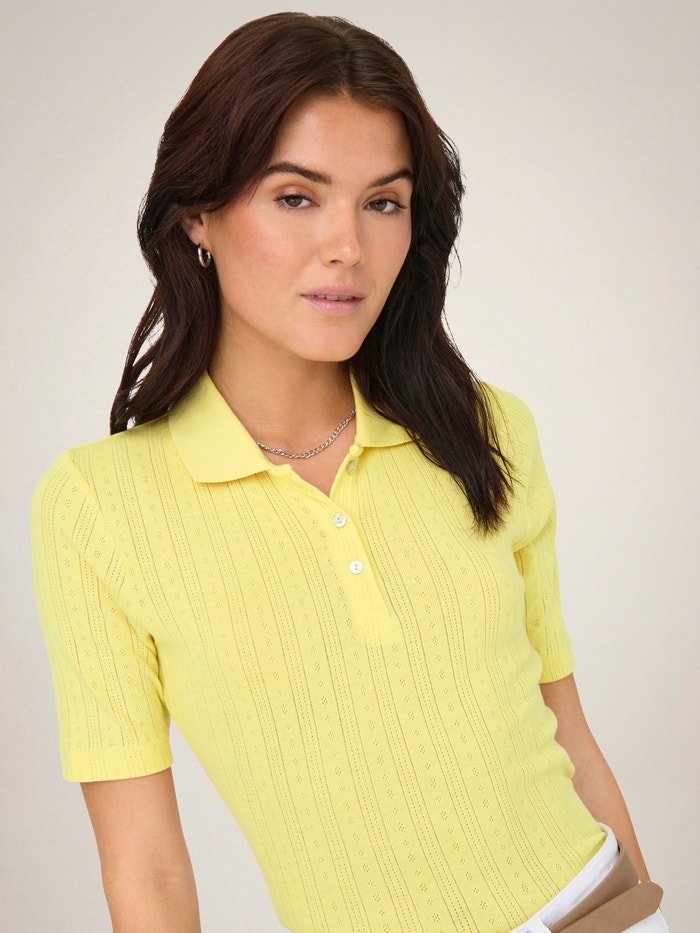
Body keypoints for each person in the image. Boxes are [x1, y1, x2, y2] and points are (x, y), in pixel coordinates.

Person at [31, 12, 668, 933]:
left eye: (384, 202)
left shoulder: (486, 430)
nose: (348, 248)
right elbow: (148, 871)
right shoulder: (100, 505)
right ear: (198, 213)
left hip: (592, 907)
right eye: (297, 197)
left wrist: (641, 907)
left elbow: (566, 726)